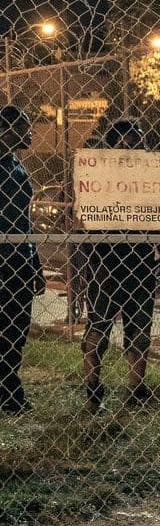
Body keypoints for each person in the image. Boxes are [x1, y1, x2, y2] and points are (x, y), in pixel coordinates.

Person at [81, 118, 160, 412]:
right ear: (117, 143)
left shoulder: (148, 176)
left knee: (140, 329)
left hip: (141, 262)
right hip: (106, 263)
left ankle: (136, 387)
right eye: (132, 139)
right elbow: (83, 216)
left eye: (139, 139)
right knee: (98, 328)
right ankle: (93, 387)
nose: (138, 145)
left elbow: (159, 216)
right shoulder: (97, 174)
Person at [0, 105, 44, 415]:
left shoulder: (16, 163)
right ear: (6, 130)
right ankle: (10, 394)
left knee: (17, 328)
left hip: (21, 259)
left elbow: (25, 221)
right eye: (24, 126)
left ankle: (9, 390)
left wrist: (35, 262)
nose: (30, 132)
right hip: (3, 260)